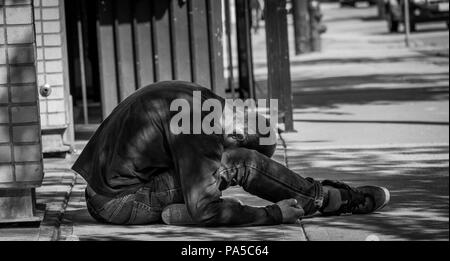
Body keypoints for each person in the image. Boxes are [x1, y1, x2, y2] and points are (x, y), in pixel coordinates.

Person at [72, 81, 390, 227]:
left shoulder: (203, 100)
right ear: (236, 133)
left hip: (101, 192)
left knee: (210, 177)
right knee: (239, 166)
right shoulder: (202, 129)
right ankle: (325, 199)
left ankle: (176, 212)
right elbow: (207, 210)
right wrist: (270, 215)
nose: (220, 152)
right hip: (118, 203)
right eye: (227, 145)